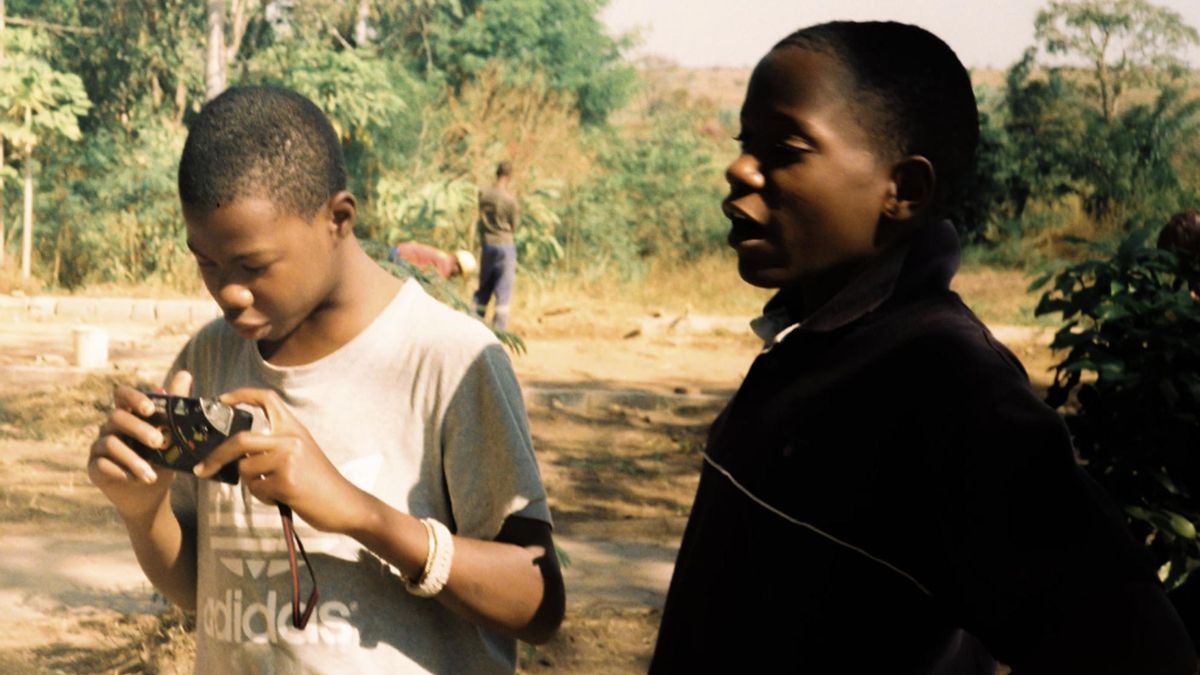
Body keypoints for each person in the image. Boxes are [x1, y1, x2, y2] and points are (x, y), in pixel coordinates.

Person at [650, 21, 1196, 675]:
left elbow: (1138, 646)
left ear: (903, 190)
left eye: (784, 148)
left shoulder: (947, 383)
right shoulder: (809, 341)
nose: (739, 167)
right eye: (746, 143)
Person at [87, 86, 563, 673]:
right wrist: (143, 509)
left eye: (254, 265)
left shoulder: (450, 360)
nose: (228, 292)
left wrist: (357, 512)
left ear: (338, 219)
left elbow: (539, 606)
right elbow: (198, 588)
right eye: (205, 262)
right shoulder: (210, 357)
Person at [473, 161, 520, 330]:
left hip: (487, 245)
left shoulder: (483, 194)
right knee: (503, 294)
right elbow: (514, 225)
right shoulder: (510, 200)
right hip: (505, 246)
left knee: (483, 290)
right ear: (509, 176)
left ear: (497, 173)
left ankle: (474, 326)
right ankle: (499, 334)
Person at [389, 240, 477, 281]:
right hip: (401, 258)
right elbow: (427, 279)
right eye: (459, 272)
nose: (457, 275)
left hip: (399, 249)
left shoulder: (444, 257)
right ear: (458, 266)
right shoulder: (445, 268)